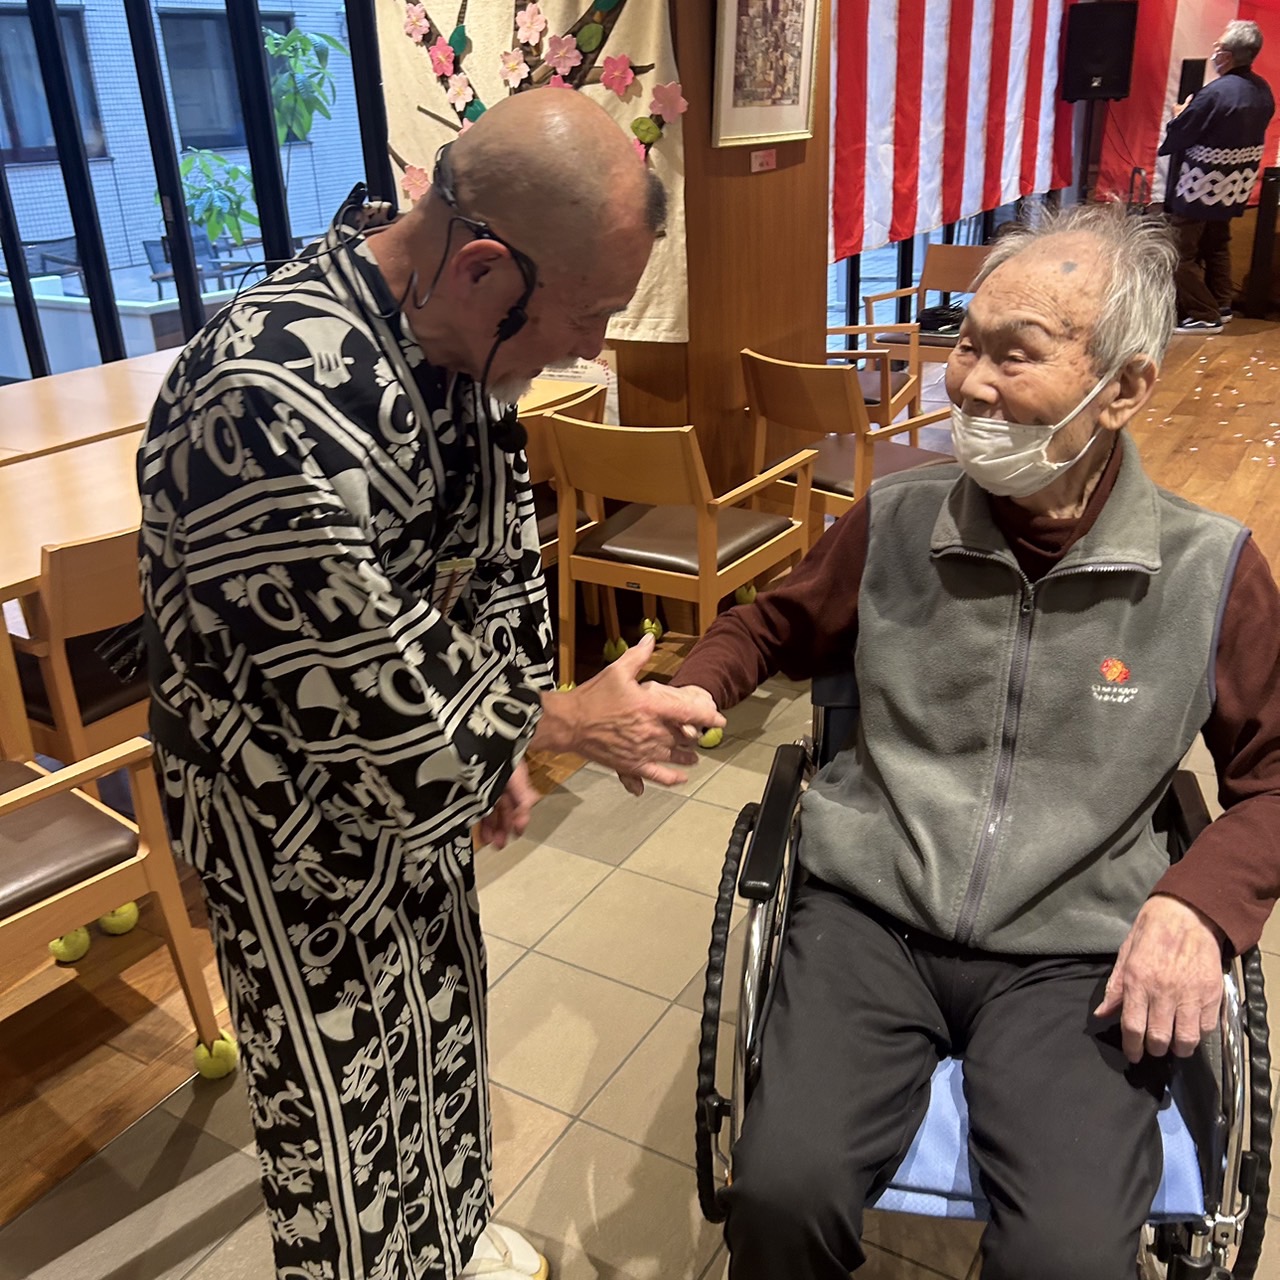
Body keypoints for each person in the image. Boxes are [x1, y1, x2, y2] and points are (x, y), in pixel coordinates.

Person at [137, 89, 722, 1280]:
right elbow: (356, 666)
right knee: (340, 1087)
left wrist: (503, 732)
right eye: (588, 314)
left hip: (410, 766)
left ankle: (445, 1241)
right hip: (282, 800)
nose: (591, 348)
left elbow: (496, 541)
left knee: (439, 1023)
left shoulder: (445, 335)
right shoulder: (268, 392)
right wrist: (554, 721)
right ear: (483, 268)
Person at [671, 205, 1280, 1279]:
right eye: (965, 342)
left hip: (1073, 949)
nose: (970, 384)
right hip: (870, 915)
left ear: (1124, 388)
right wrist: (694, 685)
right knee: (777, 1194)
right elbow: (771, 624)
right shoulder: (899, 520)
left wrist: (1198, 901)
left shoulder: (1208, 571)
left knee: (1066, 1257)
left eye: (1016, 354)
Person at [1159, 19, 1275, 334]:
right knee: (1217, 242)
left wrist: (1179, 116)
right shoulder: (1263, 90)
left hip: (1203, 183)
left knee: (1179, 251)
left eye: (1218, 46)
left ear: (1226, 55)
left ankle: (1203, 312)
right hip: (1235, 181)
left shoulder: (1215, 93)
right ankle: (1222, 303)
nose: (1214, 51)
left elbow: (1182, 133)